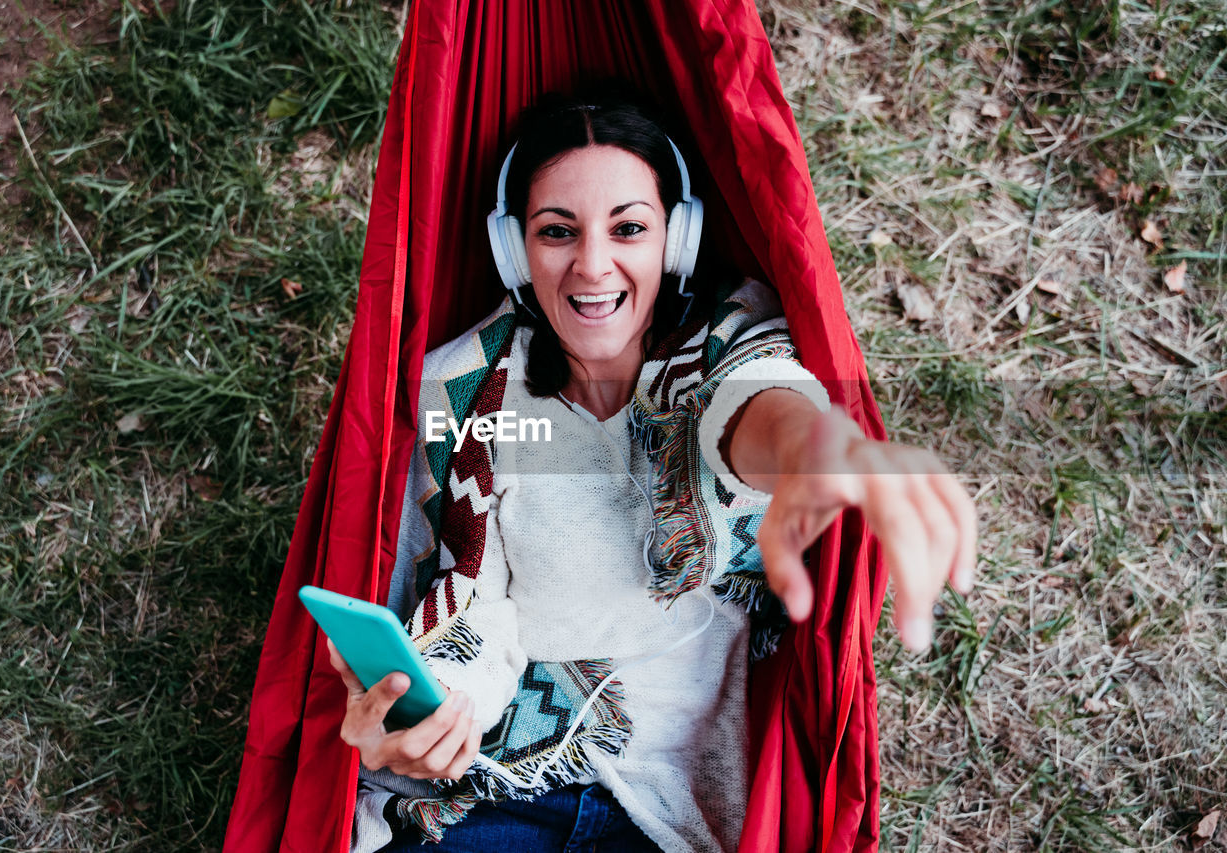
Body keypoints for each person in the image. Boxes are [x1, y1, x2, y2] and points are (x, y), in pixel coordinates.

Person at [329, 90, 976, 853]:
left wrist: (827, 450)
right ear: (516, 252)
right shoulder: (471, 387)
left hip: (675, 820)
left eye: (629, 228)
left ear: (676, 240)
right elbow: (474, 607)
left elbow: (757, 404)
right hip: (501, 797)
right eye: (557, 232)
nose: (592, 264)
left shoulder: (722, 342)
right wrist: (430, 716)